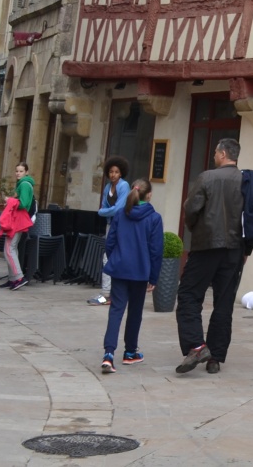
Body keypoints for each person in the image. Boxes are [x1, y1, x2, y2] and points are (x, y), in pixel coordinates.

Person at [175, 137, 243, 375]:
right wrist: (247, 248)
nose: (214, 156)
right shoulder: (246, 180)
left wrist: (195, 228)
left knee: (188, 294)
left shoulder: (207, 177)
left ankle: (196, 345)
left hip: (206, 245)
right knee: (224, 303)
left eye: (215, 152)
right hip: (234, 248)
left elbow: (191, 209)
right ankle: (215, 357)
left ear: (223, 154)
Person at [101, 179, 164, 373]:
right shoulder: (154, 218)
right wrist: (153, 277)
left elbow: (110, 242)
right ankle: (130, 352)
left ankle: (108, 354)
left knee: (116, 310)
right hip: (140, 271)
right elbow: (156, 250)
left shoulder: (121, 214)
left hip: (120, 268)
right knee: (135, 311)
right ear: (149, 194)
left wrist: (116, 259)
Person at [90, 156, 131, 305]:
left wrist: (102, 211)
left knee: (111, 256)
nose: (113, 174)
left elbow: (118, 209)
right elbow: (105, 206)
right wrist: (105, 211)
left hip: (121, 226)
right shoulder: (108, 187)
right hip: (110, 225)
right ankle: (107, 292)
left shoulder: (124, 186)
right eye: (111, 171)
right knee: (107, 256)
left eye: (116, 172)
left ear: (121, 173)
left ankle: (109, 293)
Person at [0, 162, 38, 290]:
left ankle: (19, 277)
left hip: (18, 219)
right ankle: (13, 279)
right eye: (17, 171)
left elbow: (23, 203)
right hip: (19, 219)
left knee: (9, 249)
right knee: (12, 248)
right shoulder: (24, 184)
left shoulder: (24, 184)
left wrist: (9, 201)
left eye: (21, 171)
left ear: (26, 172)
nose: (18, 173)